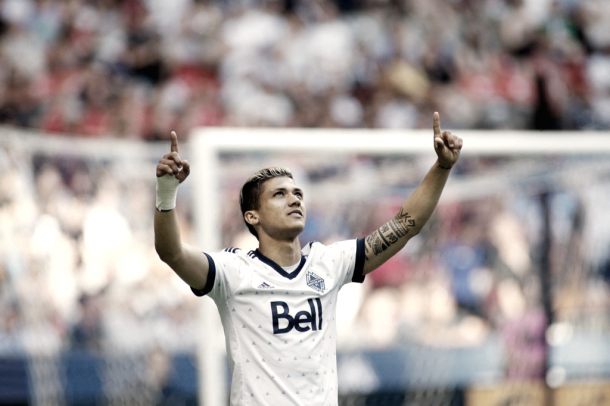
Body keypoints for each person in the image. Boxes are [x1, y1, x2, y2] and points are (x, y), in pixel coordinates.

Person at [154, 112, 462, 405]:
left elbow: (405, 225)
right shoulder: (233, 271)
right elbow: (172, 252)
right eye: (279, 194)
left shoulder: (329, 262)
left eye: (297, 193)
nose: (294, 199)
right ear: (252, 216)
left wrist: (442, 168)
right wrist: (167, 192)